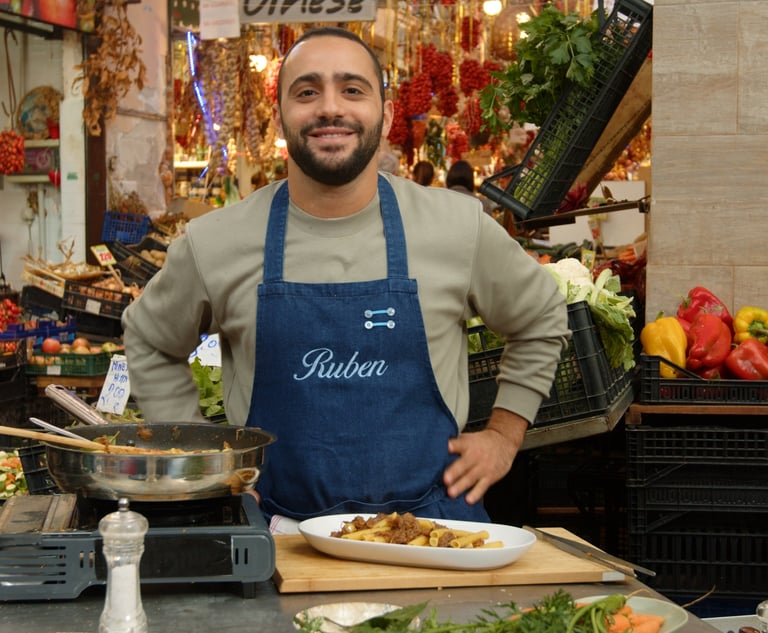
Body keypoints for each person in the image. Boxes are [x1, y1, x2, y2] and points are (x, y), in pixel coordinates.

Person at [121, 26, 568, 528]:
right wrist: (201, 462)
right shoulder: (215, 242)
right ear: (280, 117)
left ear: (388, 113)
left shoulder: (458, 228)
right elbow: (149, 337)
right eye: (307, 91)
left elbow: (542, 316)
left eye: (352, 89)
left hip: (434, 536)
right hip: (274, 538)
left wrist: (505, 435)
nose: (330, 108)